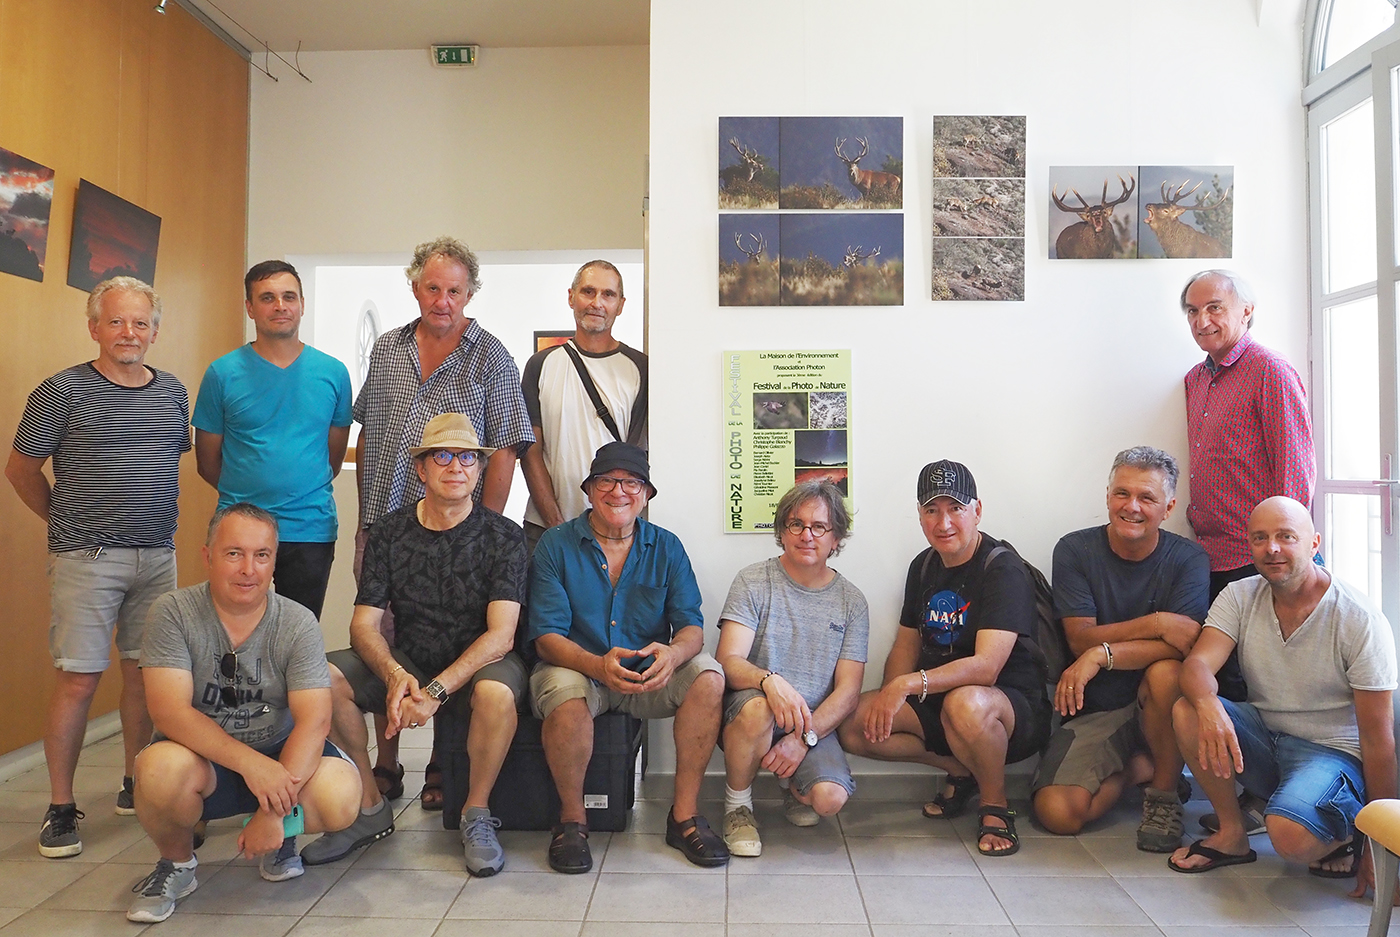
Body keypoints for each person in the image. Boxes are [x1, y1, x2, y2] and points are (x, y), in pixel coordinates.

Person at [5, 277, 190, 859]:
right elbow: (20, 470)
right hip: (86, 559)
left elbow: (165, 465)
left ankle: (137, 783)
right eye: (115, 321)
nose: (128, 333)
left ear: (155, 331)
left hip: (157, 557)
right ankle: (61, 808)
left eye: (140, 323)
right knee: (79, 679)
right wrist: (64, 523)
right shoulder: (61, 390)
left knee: (146, 675)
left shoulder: (173, 391)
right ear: (94, 328)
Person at [353, 236, 533, 810]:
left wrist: (485, 529)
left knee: (449, 638)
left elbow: (504, 448)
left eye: (454, 290)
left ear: (470, 294)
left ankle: (440, 765)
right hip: (386, 526)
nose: (443, 300)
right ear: (415, 288)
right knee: (383, 640)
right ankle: (386, 761)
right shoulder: (387, 349)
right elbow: (370, 434)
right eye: (433, 288)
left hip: (462, 531)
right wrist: (365, 520)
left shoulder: (491, 357)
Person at [308, 413, 528, 876]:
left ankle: (477, 814)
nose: (456, 466)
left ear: (479, 468)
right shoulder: (389, 533)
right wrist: (395, 675)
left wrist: (435, 691)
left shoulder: (504, 536)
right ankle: (369, 808)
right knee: (322, 679)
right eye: (442, 456)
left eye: (467, 457)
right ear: (421, 468)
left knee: (497, 692)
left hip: (479, 663)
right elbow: (363, 625)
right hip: (411, 657)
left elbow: (501, 636)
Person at [126, 504, 360, 923]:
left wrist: (273, 813)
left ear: (274, 561)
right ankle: (177, 864)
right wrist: (252, 765)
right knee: (157, 771)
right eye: (234, 553)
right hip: (204, 762)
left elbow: (315, 721)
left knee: (341, 794)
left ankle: (280, 838)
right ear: (208, 556)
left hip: (280, 758)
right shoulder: (173, 612)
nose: (248, 569)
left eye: (261, 555)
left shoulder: (297, 622)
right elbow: (169, 712)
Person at [1168, 496, 1396, 904]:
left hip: (1331, 753)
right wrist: (1207, 705)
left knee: (1289, 838)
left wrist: (1381, 849)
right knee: (1188, 709)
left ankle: (1345, 832)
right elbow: (1197, 665)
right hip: (1266, 737)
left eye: (1286, 536)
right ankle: (1232, 835)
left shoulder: (1358, 618)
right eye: (1260, 538)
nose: (1272, 548)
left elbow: (1379, 742)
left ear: (1314, 543)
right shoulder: (1239, 595)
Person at [529, 442, 729, 872]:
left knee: (709, 677)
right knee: (564, 693)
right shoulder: (554, 545)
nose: (618, 491)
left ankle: (684, 817)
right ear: (589, 490)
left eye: (632, 483)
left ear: (646, 494)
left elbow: (691, 626)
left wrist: (673, 654)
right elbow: (546, 637)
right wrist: (596, 665)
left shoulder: (667, 547)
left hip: (647, 677)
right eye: (606, 481)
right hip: (579, 668)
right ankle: (571, 822)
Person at [838, 460, 1051, 857]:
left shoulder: (1002, 567)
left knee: (965, 702)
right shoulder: (923, 565)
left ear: (977, 510)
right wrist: (890, 694)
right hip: (937, 697)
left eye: (956, 508)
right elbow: (906, 644)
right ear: (920, 515)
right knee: (853, 723)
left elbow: (986, 667)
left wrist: (907, 685)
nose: (944, 522)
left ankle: (995, 805)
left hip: (1007, 706)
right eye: (932, 510)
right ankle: (960, 770)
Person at [1181, 268, 1317, 830]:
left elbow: (1295, 470)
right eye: (1192, 311)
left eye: (1214, 307)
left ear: (1246, 311)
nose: (1202, 320)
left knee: (1271, 683)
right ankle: (1245, 799)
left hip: (1260, 557)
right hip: (1209, 555)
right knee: (1230, 683)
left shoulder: (1270, 372)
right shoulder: (1194, 379)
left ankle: (1277, 800)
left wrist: (1288, 550)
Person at [1030, 446, 1209, 852]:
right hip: (1098, 709)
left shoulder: (1189, 559)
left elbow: (1183, 647)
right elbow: (1080, 638)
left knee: (1166, 673)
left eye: (1147, 497)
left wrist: (1102, 654)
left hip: (1160, 703)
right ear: (1108, 496)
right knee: (1057, 813)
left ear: (1169, 507)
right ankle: (1141, 769)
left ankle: (1164, 797)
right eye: (1122, 494)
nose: (1132, 507)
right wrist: (1157, 623)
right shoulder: (1075, 550)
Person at [193, 260, 353, 619]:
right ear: (250, 308)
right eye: (267, 298)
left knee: (299, 634)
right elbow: (207, 462)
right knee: (233, 630)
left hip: (309, 528)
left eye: (288, 297)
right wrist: (249, 492)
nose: (280, 306)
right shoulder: (222, 373)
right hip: (239, 529)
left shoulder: (333, 373)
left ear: (302, 305)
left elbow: (333, 458)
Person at [716, 480, 867, 857]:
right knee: (759, 708)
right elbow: (728, 662)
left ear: (836, 538)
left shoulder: (852, 601)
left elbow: (848, 691)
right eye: (796, 524)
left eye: (819, 527)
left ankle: (792, 784)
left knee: (829, 799)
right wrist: (769, 681)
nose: (806, 535)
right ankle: (738, 807)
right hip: (751, 710)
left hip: (811, 722)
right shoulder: (753, 580)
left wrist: (803, 739)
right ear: (782, 531)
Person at [520, 260, 647, 553]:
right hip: (545, 530)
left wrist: (616, 524)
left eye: (608, 294)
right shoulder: (540, 365)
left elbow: (636, 458)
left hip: (617, 533)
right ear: (571, 297)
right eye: (588, 292)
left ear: (621, 305)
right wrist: (556, 525)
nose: (597, 303)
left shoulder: (640, 368)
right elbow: (530, 451)